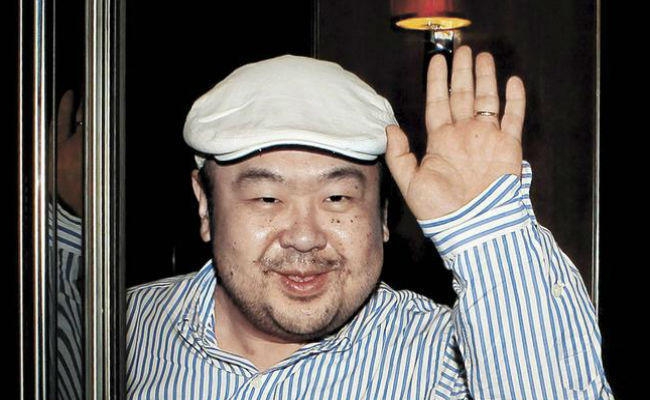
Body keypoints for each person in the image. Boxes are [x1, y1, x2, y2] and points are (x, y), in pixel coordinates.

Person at [126, 46, 612, 399]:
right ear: (205, 205)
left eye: (337, 197)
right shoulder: (122, 330)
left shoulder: (445, 361)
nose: (304, 237)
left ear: (382, 214)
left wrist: (485, 228)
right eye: (267, 198)